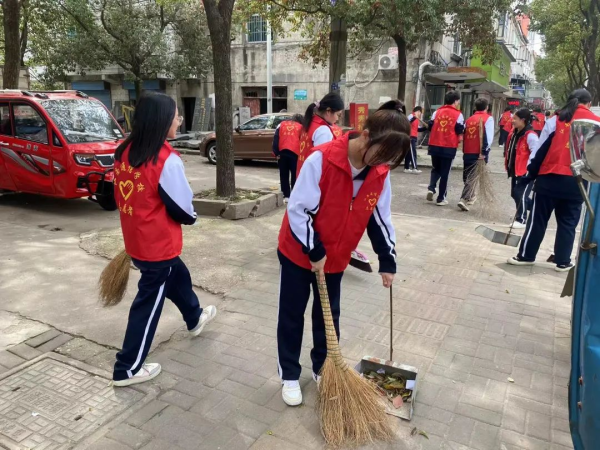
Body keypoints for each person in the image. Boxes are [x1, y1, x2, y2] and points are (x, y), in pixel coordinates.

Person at [276, 100, 410, 406]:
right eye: (383, 154)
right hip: (300, 251)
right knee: (292, 314)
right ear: (364, 136)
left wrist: (387, 260)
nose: (384, 164)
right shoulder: (321, 159)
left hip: (335, 258)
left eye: (391, 160)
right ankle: (289, 375)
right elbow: (299, 211)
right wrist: (314, 248)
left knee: (328, 315)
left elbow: (379, 217)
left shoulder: (379, 172)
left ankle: (323, 368)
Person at [112, 93, 217, 387]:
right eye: (176, 115)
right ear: (161, 120)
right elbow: (183, 206)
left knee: (178, 275)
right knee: (148, 303)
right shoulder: (165, 159)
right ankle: (127, 368)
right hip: (157, 244)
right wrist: (192, 217)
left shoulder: (124, 151)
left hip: (137, 238)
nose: (179, 120)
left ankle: (194, 317)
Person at [508, 89, 600, 271]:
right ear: (588, 104)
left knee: (538, 220)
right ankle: (563, 261)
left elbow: (539, 151)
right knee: (568, 222)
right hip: (579, 181)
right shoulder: (596, 123)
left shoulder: (556, 120)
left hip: (549, 179)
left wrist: (530, 175)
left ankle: (526, 256)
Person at [426, 91, 465, 206]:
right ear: (456, 101)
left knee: (435, 168)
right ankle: (441, 198)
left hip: (434, 145)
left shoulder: (437, 112)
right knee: (445, 173)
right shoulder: (458, 114)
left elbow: (430, 126)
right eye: (458, 101)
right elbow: (459, 130)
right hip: (448, 147)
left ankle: (431, 188)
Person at [504, 108, 539, 228]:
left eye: (515, 118)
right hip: (515, 170)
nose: (512, 120)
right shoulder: (514, 133)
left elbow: (536, 152)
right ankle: (537, 207)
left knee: (520, 193)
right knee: (515, 193)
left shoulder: (530, 135)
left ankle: (521, 219)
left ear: (523, 120)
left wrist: (530, 168)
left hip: (525, 171)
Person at [458, 98, 494, 211]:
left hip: (467, 151)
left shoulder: (469, 119)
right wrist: (484, 152)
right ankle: (464, 199)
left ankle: (469, 196)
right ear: (486, 107)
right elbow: (489, 137)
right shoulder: (488, 118)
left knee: (468, 176)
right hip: (478, 153)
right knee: (471, 177)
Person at [296, 92, 345, 175]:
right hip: (314, 178)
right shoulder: (323, 130)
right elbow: (323, 161)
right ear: (328, 111)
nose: (338, 119)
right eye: (338, 114)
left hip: (303, 174)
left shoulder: (311, 122)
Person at [272, 114, 304, 202]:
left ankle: (286, 195)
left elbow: (276, 138)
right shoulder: (301, 127)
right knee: (295, 175)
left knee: (284, 175)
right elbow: (303, 141)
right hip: (295, 154)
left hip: (282, 153)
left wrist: (276, 153)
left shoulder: (281, 124)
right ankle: (294, 195)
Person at [405, 106, 427, 174]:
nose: (420, 114)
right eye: (420, 112)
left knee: (409, 153)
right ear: (418, 111)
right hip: (410, 137)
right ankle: (415, 168)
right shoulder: (411, 116)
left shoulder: (417, 119)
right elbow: (407, 123)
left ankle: (406, 168)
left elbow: (418, 129)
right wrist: (415, 117)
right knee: (413, 153)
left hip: (414, 137)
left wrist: (426, 128)